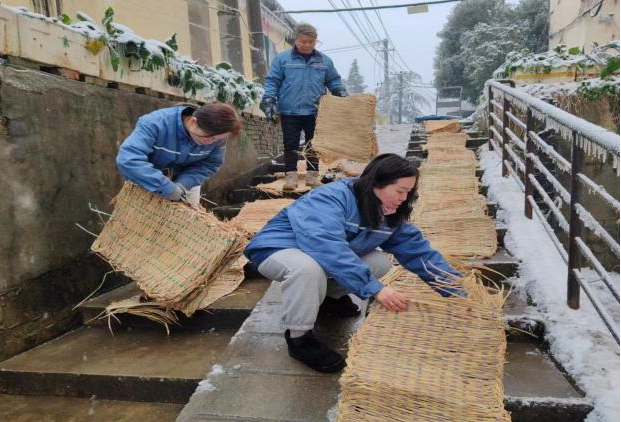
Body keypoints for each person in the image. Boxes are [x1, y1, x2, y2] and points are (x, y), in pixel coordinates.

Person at [243, 154, 465, 373]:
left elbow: (420, 254)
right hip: (278, 248)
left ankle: (329, 299)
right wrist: (375, 289)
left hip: (316, 254)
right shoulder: (332, 197)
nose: (404, 198)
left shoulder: (389, 213)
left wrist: (458, 292)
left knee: (379, 263)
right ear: (376, 183)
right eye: (400, 191)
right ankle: (299, 338)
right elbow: (327, 248)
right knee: (307, 269)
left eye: (409, 192)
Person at [260, 22, 348, 191]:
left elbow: (334, 81)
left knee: (314, 145)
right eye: (303, 41)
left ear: (315, 41)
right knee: (290, 144)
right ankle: (291, 177)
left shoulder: (324, 61)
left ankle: (312, 176)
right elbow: (273, 80)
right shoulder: (283, 59)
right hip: (289, 109)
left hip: (315, 110)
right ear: (296, 40)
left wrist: (341, 94)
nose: (306, 45)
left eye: (310, 42)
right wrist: (269, 98)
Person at [116, 102, 242, 207]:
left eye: (217, 139)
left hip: (185, 187)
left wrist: (183, 184)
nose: (210, 143)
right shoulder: (155, 123)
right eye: (208, 137)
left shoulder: (218, 136)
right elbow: (129, 159)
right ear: (193, 122)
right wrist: (165, 187)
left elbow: (210, 164)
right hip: (147, 181)